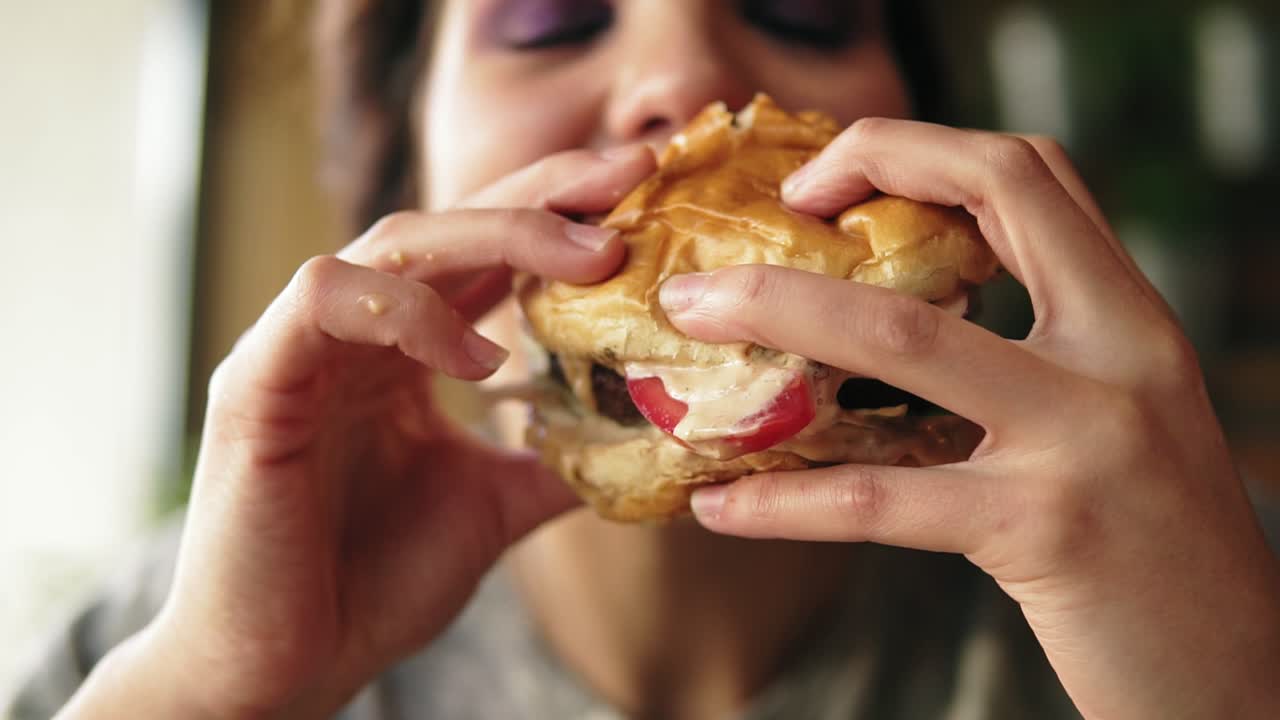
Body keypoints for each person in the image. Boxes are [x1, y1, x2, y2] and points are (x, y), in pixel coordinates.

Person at [11, 1, 1280, 718]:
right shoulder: (164, 640)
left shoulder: (1190, 567)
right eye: (548, 22)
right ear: (406, 171)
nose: (687, 82)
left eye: (802, 9)